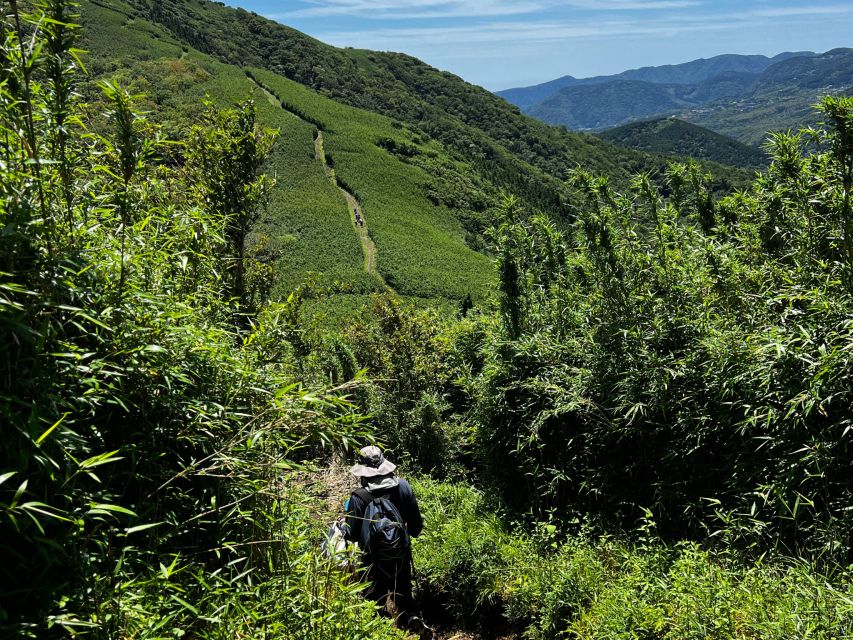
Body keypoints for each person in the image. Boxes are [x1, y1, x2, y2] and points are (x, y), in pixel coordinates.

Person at [343, 445, 431, 638]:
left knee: (374, 603)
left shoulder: (358, 497)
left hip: (372, 562)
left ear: (363, 472)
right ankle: (412, 619)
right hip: (401, 555)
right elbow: (416, 528)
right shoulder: (403, 487)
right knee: (404, 596)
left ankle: (382, 633)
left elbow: (351, 535)